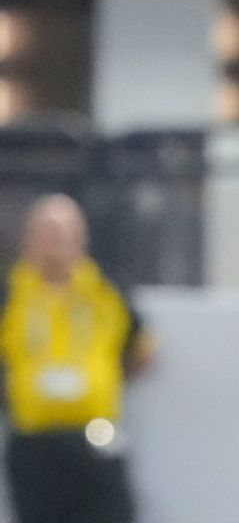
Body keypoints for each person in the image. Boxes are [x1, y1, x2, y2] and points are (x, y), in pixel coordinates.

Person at [0, 194, 155, 523]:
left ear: (80, 238)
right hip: (33, 437)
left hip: (96, 431)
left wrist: (105, 379)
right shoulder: (11, 292)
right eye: (47, 233)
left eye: (63, 233)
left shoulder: (104, 288)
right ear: (29, 239)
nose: (55, 243)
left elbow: (142, 347)